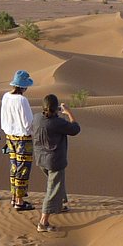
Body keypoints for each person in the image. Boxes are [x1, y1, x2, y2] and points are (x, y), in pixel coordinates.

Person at [32, 93, 81, 232]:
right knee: (52, 189)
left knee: (56, 183)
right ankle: (43, 222)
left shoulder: (36, 118)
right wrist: (69, 112)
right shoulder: (57, 123)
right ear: (55, 108)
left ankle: (61, 204)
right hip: (54, 161)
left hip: (41, 159)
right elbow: (75, 129)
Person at [1, 69, 36, 210]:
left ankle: (14, 197)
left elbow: (3, 117)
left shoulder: (5, 96)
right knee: (22, 168)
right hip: (23, 138)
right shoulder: (22, 100)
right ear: (23, 86)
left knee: (14, 166)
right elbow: (28, 122)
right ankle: (19, 201)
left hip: (10, 136)